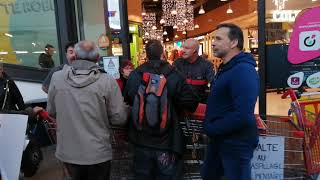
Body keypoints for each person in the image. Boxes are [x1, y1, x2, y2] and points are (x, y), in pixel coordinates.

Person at [47, 40, 129, 180]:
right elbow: (119, 118)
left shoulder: (57, 78)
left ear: (75, 56)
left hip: (68, 152)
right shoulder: (107, 81)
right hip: (98, 153)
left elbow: (51, 111)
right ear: (97, 58)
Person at [124, 39, 198, 180]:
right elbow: (191, 103)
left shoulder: (135, 75)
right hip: (168, 142)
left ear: (146, 54)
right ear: (162, 53)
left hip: (140, 140)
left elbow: (128, 98)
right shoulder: (174, 75)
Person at [202, 23, 259, 180]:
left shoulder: (243, 70)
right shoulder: (226, 68)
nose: (213, 42)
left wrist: (212, 128)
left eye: (219, 39)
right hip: (222, 141)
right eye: (214, 38)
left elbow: (242, 114)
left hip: (236, 144)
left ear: (234, 43)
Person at [173, 39, 215, 103]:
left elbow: (214, 85)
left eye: (187, 48)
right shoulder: (177, 63)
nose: (183, 50)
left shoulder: (207, 65)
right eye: (182, 47)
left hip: (200, 103)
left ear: (195, 51)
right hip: (180, 104)